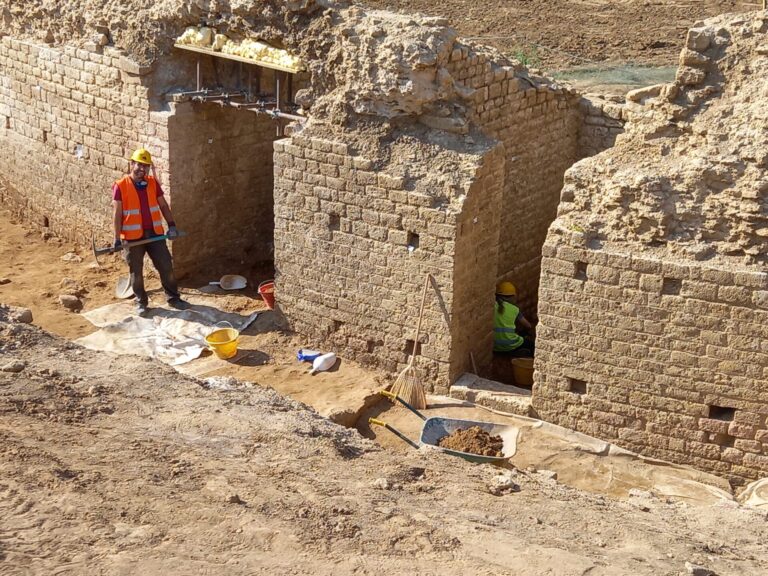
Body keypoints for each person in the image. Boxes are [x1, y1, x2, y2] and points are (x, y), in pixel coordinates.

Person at [113, 148, 188, 316]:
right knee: (136, 273)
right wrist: (117, 238)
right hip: (133, 239)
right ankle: (141, 302)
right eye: (139, 165)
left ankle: (173, 297)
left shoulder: (153, 183)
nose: (142, 169)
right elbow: (117, 214)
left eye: (146, 166)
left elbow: (163, 205)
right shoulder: (120, 186)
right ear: (132, 164)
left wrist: (172, 224)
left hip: (155, 235)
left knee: (166, 265)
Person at [493, 281, 534, 357]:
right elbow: (528, 326)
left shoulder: (491, 306)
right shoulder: (514, 309)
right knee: (532, 345)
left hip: (494, 345)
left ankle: (506, 353)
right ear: (512, 296)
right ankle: (517, 354)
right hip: (510, 343)